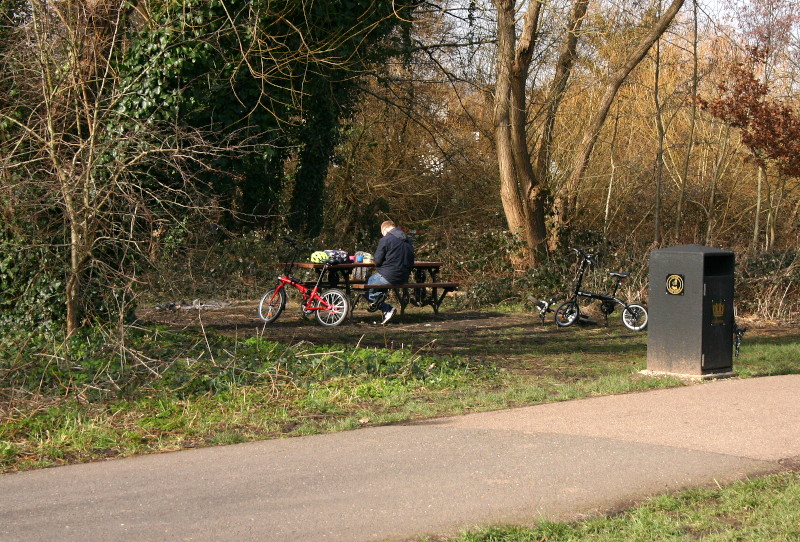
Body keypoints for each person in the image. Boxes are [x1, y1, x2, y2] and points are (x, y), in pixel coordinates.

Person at [367, 220, 414, 324]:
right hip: (404, 276)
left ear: (385, 229)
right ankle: (382, 303)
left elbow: (377, 261)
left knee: (365, 284)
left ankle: (386, 308)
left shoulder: (386, 239)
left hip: (388, 275)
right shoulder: (408, 240)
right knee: (378, 285)